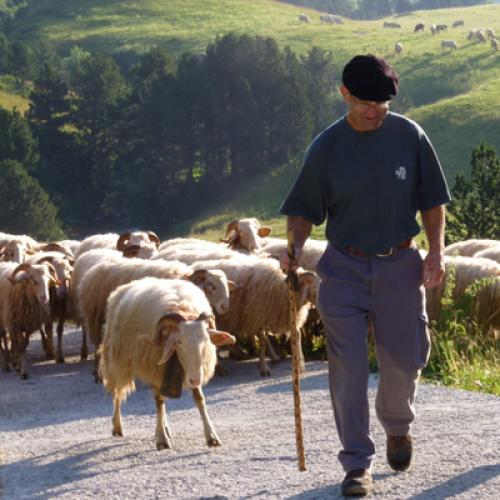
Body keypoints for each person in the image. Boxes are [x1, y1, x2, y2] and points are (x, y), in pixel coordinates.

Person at [279, 54, 450, 497]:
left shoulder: (409, 136)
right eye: (364, 103)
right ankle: (357, 464)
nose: (374, 112)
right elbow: (302, 210)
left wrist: (437, 252)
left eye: (382, 105)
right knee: (348, 368)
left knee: (403, 361)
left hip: (400, 263)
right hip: (344, 268)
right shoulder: (327, 148)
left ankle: (397, 426)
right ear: (345, 95)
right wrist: (294, 248)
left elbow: (433, 199)